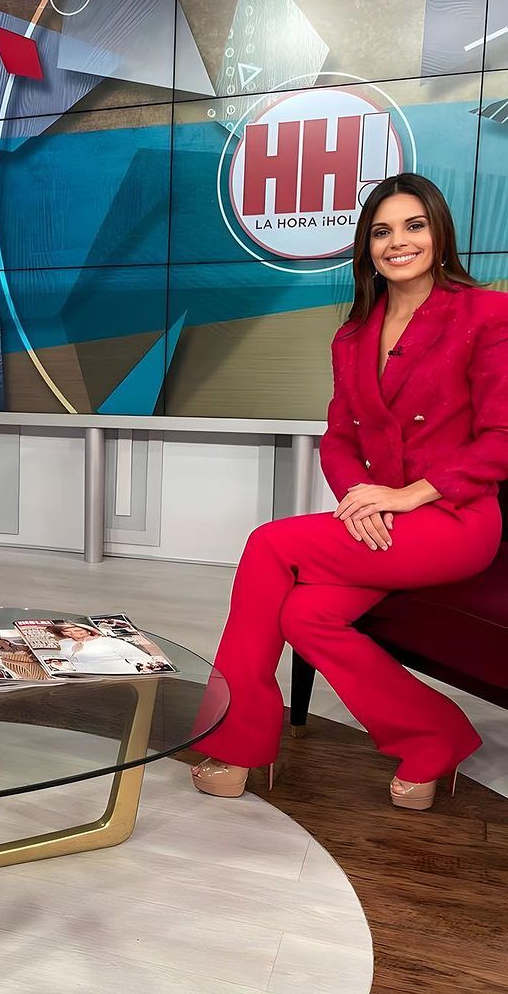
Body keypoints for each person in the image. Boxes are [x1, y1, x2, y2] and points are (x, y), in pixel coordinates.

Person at [190, 173, 508, 811]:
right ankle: (435, 736)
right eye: (382, 232)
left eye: (414, 226)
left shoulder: (487, 314)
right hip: (384, 519)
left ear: (440, 234)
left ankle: (237, 741)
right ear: (367, 248)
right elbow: (338, 437)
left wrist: (408, 495)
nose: (399, 242)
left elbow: (501, 438)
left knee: (269, 544)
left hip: (454, 519)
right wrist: (361, 493)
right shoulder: (354, 335)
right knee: (305, 614)